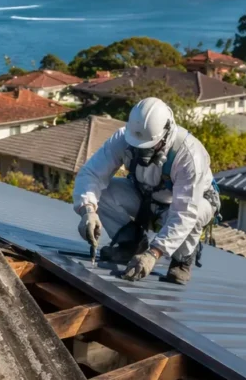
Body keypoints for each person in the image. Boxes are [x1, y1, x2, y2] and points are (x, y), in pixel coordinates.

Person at [74, 97, 219, 285]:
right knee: (101, 194)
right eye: (138, 147)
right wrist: (88, 210)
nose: (143, 153)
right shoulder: (124, 138)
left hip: (183, 203)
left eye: (149, 147)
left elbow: (184, 212)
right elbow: (92, 174)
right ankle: (131, 243)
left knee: (196, 212)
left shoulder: (189, 155)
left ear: (166, 133)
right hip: (145, 195)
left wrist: (154, 253)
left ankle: (182, 260)